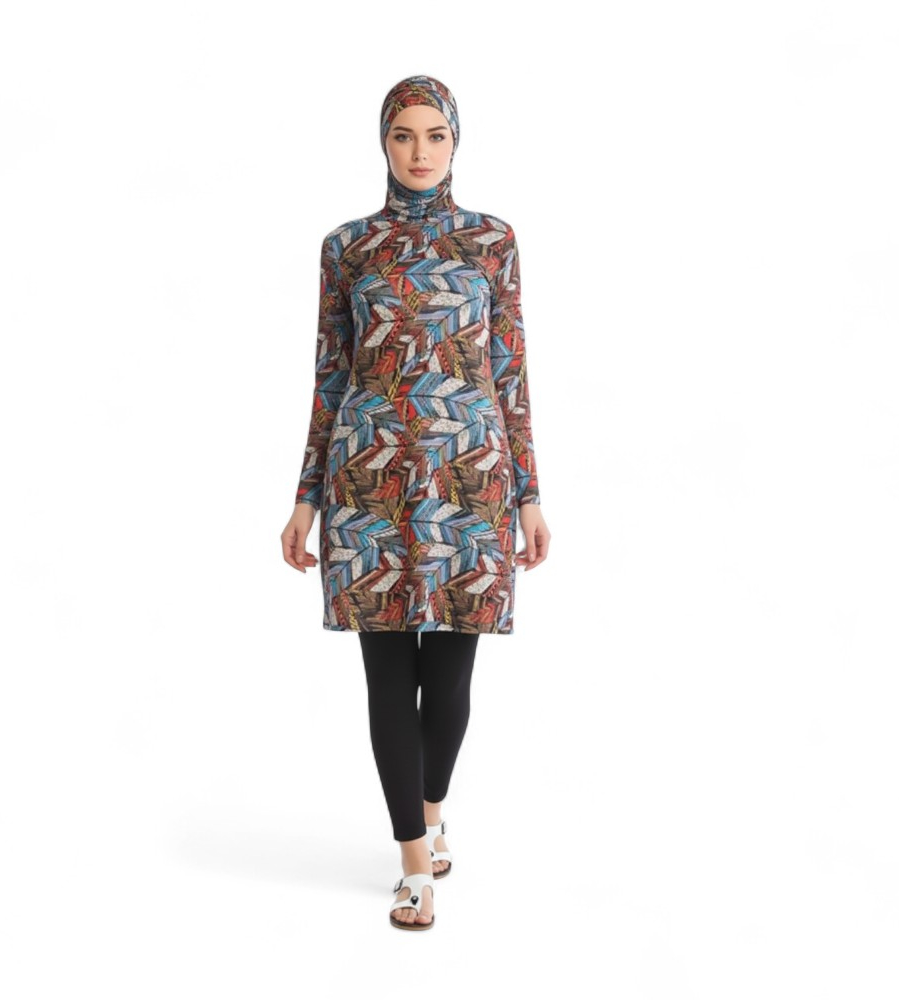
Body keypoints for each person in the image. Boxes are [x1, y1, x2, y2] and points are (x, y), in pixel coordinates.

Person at [281, 74, 551, 930]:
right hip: (368, 485)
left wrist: (530, 494)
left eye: (435, 134)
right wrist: (306, 498)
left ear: (456, 140)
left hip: (472, 482)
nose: (420, 151)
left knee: (453, 680)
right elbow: (330, 377)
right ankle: (411, 862)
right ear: (383, 143)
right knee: (389, 678)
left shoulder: (492, 242)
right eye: (404, 135)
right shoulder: (348, 247)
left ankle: (431, 812)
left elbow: (509, 370)